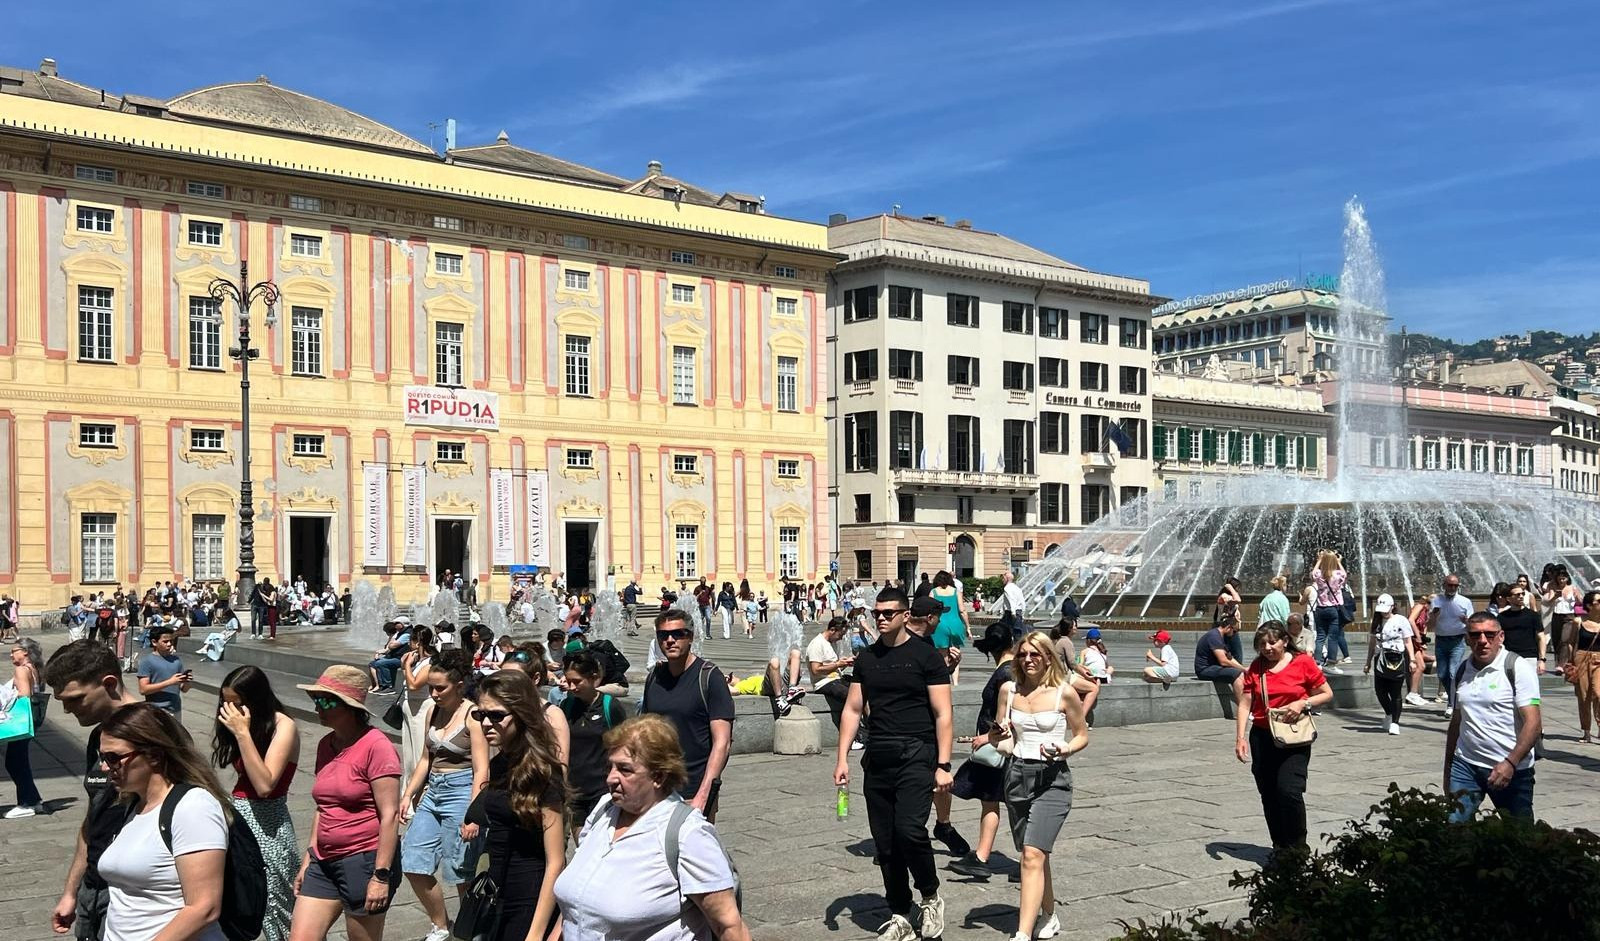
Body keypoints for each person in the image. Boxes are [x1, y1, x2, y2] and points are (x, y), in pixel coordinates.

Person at [554, 714, 748, 941]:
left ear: (658, 776)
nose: (610, 778)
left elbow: (729, 926)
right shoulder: (603, 811)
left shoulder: (687, 834)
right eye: (610, 767)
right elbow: (574, 906)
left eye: (625, 769)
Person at [833, 587, 952, 941]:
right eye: (877, 613)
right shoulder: (867, 658)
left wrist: (943, 764)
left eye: (888, 613)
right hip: (879, 755)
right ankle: (901, 912)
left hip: (917, 752)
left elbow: (943, 713)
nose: (881, 618)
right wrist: (841, 758)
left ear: (905, 615)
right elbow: (853, 709)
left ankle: (930, 896)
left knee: (909, 830)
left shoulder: (926, 656)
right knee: (885, 843)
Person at [95, 703, 231, 941]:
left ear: (154, 756)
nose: (104, 767)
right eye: (102, 757)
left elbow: (204, 907)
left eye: (113, 758)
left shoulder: (193, 807)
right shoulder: (133, 805)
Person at [291, 665, 403, 941]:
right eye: (316, 700)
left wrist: (380, 876)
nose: (318, 707)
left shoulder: (376, 746)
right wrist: (308, 858)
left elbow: (389, 814)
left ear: (350, 707)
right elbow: (323, 807)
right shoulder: (325, 745)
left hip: (363, 860)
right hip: (323, 861)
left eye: (326, 701)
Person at [994, 631, 1089, 941]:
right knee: (1034, 853)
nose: (1028, 659)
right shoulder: (1009, 691)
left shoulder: (1064, 692)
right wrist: (997, 737)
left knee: (1033, 854)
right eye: (1022, 654)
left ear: (1048, 657)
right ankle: (1049, 915)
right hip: (1017, 776)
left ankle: (1022, 933)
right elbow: (1002, 740)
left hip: (1053, 779)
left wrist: (1066, 748)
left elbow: (1082, 735)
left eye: (1035, 654)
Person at [463, 671, 568, 940]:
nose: (486, 723)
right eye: (480, 715)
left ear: (521, 715)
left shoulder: (542, 773)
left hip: (529, 896)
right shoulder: (501, 762)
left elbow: (556, 861)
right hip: (495, 888)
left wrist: (536, 933)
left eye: (497, 715)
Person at [44, 641, 139, 939]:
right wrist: (71, 891)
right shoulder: (99, 736)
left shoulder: (158, 735)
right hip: (93, 889)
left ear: (109, 684)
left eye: (75, 699)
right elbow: (93, 818)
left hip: (132, 895)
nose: (66, 709)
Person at [399, 649, 489, 941]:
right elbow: (426, 759)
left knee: (461, 869)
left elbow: (482, 770)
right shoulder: (433, 711)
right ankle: (441, 925)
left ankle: (470, 930)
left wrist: (473, 814)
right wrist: (408, 793)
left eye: (440, 688)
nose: (434, 694)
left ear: (459, 686)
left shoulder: (473, 716)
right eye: (431, 688)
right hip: (433, 791)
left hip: (462, 791)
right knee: (412, 860)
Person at [212, 666, 300, 941]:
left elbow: (264, 785)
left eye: (238, 703)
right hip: (239, 817)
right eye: (226, 703)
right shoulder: (246, 725)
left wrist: (242, 734)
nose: (231, 710)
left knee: (276, 905)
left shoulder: (283, 725)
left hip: (269, 824)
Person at [1234, 622, 1333, 851]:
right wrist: (1240, 737)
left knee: (1289, 791)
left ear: (1285, 641)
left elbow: (1327, 693)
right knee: (1269, 794)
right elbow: (1245, 704)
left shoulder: (1303, 662)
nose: (1267, 648)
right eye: (1262, 644)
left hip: (1294, 737)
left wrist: (1303, 703)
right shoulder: (1257, 667)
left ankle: (1298, 848)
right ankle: (1279, 846)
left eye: (1272, 642)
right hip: (1262, 736)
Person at [1443, 612, 1541, 821]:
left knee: (1519, 833)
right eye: (1475, 635)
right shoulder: (1462, 671)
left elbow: (1533, 723)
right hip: (1466, 764)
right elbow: (1457, 721)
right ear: (1467, 638)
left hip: (1511, 768)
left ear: (1501, 637)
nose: (1482, 641)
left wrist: (1510, 763)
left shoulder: (1517, 667)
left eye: (1489, 634)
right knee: (1454, 827)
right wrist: (1448, 769)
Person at [641, 609, 735, 821]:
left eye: (678, 634)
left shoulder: (709, 677)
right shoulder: (654, 677)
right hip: (656, 791)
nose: (670, 640)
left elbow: (722, 743)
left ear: (691, 637)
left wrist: (704, 795)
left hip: (693, 790)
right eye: (663, 635)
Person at [948, 622, 1013, 881]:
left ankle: (984, 858)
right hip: (995, 745)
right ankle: (982, 855)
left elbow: (1009, 715)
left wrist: (986, 737)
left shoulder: (1006, 673)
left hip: (997, 747)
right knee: (991, 800)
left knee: (994, 800)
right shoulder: (1008, 669)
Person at [560, 649, 631, 829]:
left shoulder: (610, 706)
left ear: (593, 678)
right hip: (574, 792)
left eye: (577, 681)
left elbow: (624, 746)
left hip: (603, 791)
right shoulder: (566, 706)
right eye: (568, 681)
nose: (572, 687)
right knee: (581, 843)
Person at [1362, 594, 1418, 734]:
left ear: (1393, 607)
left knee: (1395, 692)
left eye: (1386, 609)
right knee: (1380, 691)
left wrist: (1412, 660)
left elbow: (1408, 641)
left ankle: (1395, 722)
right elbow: (1372, 644)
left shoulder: (1401, 620)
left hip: (1396, 658)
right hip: (1380, 658)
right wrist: (1368, 662)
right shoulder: (1377, 621)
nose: (1384, 613)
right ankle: (1389, 712)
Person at [3, 637, 45, 817]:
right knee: (19, 760)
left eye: (14, 651)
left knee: (15, 762)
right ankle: (34, 800)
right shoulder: (34, 669)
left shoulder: (21, 670)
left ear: (25, 652)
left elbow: (24, 696)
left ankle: (27, 803)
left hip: (20, 720)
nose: (11, 654)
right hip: (32, 719)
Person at [1429, 574, 1474, 712]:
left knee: (1453, 672)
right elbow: (1430, 625)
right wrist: (1434, 616)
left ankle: (1451, 703)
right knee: (1442, 674)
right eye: (1450, 585)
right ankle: (1453, 697)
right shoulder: (1437, 601)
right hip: (1441, 641)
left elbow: (1472, 623)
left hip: (1457, 641)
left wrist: (1466, 621)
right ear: (1444, 585)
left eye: (1455, 585)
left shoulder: (1465, 601)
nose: (1453, 588)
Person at [397, 626, 437, 780]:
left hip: (422, 708)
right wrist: (405, 665)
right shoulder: (417, 660)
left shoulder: (429, 662)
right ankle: (409, 785)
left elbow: (414, 685)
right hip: (410, 706)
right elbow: (408, 681)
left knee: (419, 751)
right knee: (408, 753)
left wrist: (407, 665)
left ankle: (420, 785)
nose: (409, 644)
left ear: (418, 642)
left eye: (411, 640)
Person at [807, 617, 855, 734]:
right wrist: (837, 664)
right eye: (840, 634)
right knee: (850, 696)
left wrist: (844, 663)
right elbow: (816, 670)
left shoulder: (832, 643)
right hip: (823, 683)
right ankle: (851, 732)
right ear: (832, 630)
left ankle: (869, 725)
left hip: (836, 679)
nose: (841, 638)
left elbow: (834, 666)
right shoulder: (817, 644)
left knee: (860, 687)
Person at [725, 650, 809, 718]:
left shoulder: (745, 680)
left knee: (795, 653)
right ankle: (779, 700)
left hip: (779, 683)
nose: (733, 676)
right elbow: (734, 691)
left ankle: (792, 689)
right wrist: (722, 683)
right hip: (768, 688)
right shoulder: (740, 686)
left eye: (731, 674)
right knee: (774, 662)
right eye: (730, 677)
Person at [1565, 590, 1600, 743]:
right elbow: (1571, 642)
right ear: (1589, 605)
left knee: (1599, 694)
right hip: (1582, 659)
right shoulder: (1578, 621)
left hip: (1599, 660)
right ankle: (1586, 731)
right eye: (1599, 601)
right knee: (1584, 696)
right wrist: (1571, 660)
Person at [1309, 549, 1349, 672]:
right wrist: (1339, 562)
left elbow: (1313, 573)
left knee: (1320, 637)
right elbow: (1344, 574)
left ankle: (1317, 663)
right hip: (1333, 609)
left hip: (1320, 609)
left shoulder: (1319, 574)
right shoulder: (1337, 574)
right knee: (1333, 637)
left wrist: (1319, 560)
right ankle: (1331, 664)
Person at [137, 626, 191, 716]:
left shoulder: (176, 660)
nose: (169, 644)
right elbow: (143, 690)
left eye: (171, 641)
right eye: (165, 642)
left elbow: (184, 689)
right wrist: (170, 682)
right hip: (157, 710)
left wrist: (187, 681)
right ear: (154, 642)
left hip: (175, 709)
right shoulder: (147, 661)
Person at [928, 571, 970, 685]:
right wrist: (968, 627)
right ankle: (955, 682)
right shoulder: (956, 592)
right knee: (955, 653)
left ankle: (945, 681)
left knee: (943, 654)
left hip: (940, 625)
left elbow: (930, 609)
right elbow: (962, 610)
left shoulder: (933, 592)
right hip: (955, 624)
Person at [1496, 583, 1547, 674]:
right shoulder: (1502, 617)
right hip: (1508, 656)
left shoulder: (1533, 615)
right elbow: (1498, 639)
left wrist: (1542, 659)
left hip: (1529, 657)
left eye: (1522, 594)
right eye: (1517, 594)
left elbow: (1541, 637)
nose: (1521, 596)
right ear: (1508, 599)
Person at [1195, 613, 1247, 698]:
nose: (1234, 634)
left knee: (1241, 674)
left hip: (1214, 667)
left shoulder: (1220, 636)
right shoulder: (1214, 636)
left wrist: (1243, 668)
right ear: (1228, 627)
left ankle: (1247, 703)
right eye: (1234, 631)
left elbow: (1229, 658)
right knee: (1237, 674)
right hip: (1205, 670)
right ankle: (1243, 705)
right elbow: (1223, 661)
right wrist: (1243, 669)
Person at [999, 571, 1026, 639]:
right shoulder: (1017, 588)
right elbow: (1022, 602)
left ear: (1007, 579)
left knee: (1006, 632)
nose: (1002, 580)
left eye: (1003, 578)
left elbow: (1011, 600)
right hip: (1018, 611)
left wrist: (1013, 612)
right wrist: (1023, 614)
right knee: (1017, 632)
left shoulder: (1007, 588)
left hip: (1010, 613)